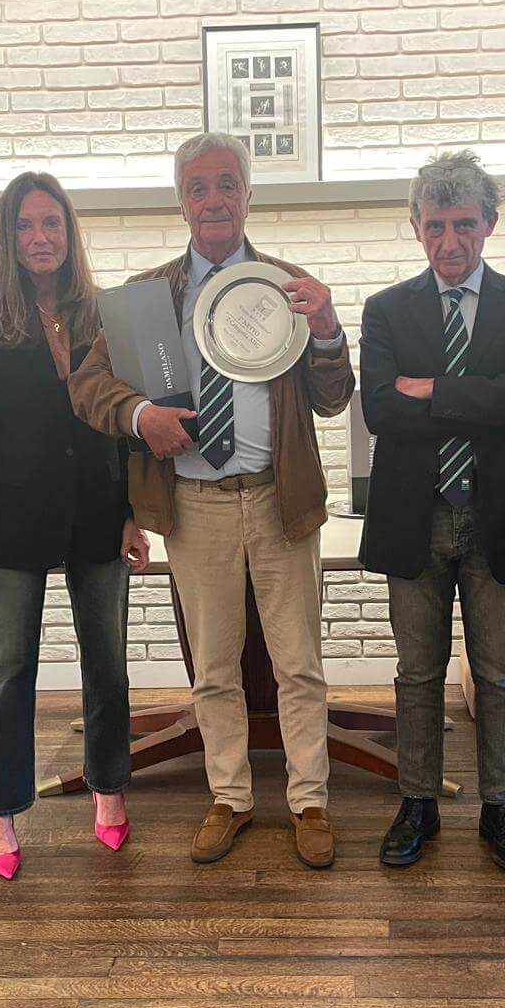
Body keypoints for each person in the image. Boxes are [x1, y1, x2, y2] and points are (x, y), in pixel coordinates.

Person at [69, 132, 355, 869]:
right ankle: (230, 796)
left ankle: (310, 801)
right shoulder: (146, 297)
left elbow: (333, 399)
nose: (214, 199)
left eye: (227, 184)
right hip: (194, 504)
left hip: (280, 501)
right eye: (198, 187)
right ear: (181, 202)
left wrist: (327, 331)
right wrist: (142, 416)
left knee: (299, 664)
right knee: (214, 667)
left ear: (248, 195)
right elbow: (88, 386)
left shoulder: (290, 288)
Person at [359, 151, 505, 872]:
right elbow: (381, 411)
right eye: (436, 226)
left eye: (465, 225)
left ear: (490, 224)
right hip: (413, 517)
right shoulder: (386, 310)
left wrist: (432, 389)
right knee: (417, 673)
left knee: (500, 673)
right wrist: (493, 389)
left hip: (499, 515)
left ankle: (501, 807)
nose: (451, 242)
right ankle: (417, 801)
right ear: (416, 226)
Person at [0, 171, 149, 880]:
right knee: (7, 669)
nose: (40, 237)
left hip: (98, 509)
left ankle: (109, 785)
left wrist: (132, 514)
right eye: (25, 225)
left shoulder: (102, 310)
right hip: (11, 518)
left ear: (69, 232)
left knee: (108, 662)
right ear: (8, 236)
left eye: (52, 223)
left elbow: (123, 420)